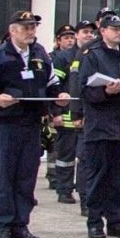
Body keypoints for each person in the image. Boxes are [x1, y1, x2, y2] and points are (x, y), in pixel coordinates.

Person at [0, 10, 67, 238]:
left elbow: (51, 83)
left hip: (31, 124)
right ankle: (3, 226)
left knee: (26, 177)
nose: (31, 31)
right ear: (13, 30)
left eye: (33, 27)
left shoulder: (40, 54)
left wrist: (59, 97)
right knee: (6, 176)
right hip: (6, 124)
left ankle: (21, 224)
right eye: (26, 27)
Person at [72, 14, 120, 238]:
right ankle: (95, 222)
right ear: (102, 31)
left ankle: (116, 222)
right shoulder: (91, 55)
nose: (118, 32)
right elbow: (84, 91)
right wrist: (106, 91)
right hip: (101, 125)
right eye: (113, 28)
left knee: (117, 177)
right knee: (98, 176)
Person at [47, 24, 81, 203]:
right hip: (66, 115)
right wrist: (56, 113)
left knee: (83, 157)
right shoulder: (62, 58)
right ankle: (63, 189)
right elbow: (55, 88)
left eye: (71, 37)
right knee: (65, 157)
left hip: (83, 117)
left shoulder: (89, 56)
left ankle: (81, 189)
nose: (70, 40)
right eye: (66, 37)